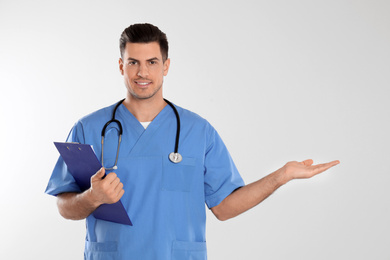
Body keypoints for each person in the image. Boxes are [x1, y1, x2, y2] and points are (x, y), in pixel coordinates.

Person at [45, 23, 339, 260]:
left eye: (152, 62)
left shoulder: (198, 131)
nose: (142, 72)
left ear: (167, 66)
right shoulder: (88, 128)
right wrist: (92, 197)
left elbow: (224, 207)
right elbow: (64, 205)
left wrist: (282, 176)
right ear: (121, 66)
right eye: (133, 62)